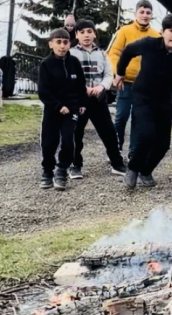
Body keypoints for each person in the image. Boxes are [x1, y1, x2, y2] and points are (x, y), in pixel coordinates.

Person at [114, 13, 172, 189]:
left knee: (164, 144)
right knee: (147, 134)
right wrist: (120, 73)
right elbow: (127, 51)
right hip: (143, 96)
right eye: (171, 30)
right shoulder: (149, 44)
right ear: (162, 31)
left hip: (164, 100)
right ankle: (133, 169)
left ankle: (146, 170)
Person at [69, 19, 128, 177]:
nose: (86, 35)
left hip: (98, 99)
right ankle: (75, 165)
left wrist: (101, 87)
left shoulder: (102, 54)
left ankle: (116, 163)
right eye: (82, 32)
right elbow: (69, 76)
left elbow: (109, 75)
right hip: (78, 100)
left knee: (108, 132)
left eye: (89, 32)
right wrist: (83, 89)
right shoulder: (71, 53)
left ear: (94, 34)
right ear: (77, 35)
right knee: (76, 133)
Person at [107, 0, 161, 159]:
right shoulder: (124, 31)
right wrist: (118, 72)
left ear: (151, 15)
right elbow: (113, 53)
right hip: (125, 82)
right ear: (136, 13)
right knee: (121, 116)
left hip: (144, 85)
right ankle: (115, 149)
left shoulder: (156, 35)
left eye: (148, 12)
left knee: (138, 118)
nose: (145, 15)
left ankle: (133, 152)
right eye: (142, 12)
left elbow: (159, 60)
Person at [38, 29, 87, 190]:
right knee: (49, 143)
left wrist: (82, 103)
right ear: (51, 44)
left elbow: (81, 86)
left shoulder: (74, 63)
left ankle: (61, 170)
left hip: (71, 110)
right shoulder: (46, 64)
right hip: (53, 110)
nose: (62, 46)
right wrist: (58, 106)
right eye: (58, 42)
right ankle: (47, 171)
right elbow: (43, 91)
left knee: (68, 141)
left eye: (65, 42)